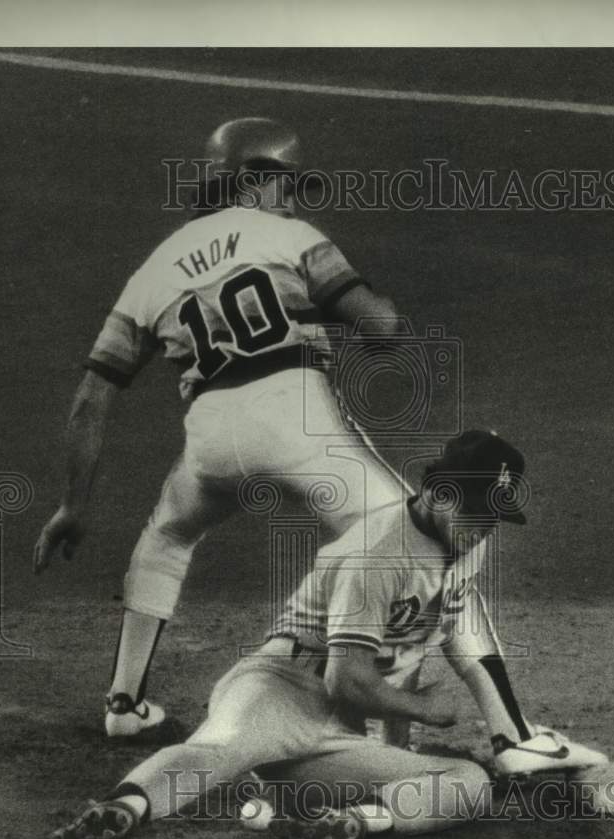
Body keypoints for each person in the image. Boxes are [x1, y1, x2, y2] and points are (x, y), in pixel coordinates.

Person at [48, 429, 608, 839]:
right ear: (438, 493)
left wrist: (410, 744)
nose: (487, 527)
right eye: (479, 511)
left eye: (496, 516)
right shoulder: (376, 555)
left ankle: (355, 819)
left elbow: (419, 646)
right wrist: (427, 712)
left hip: (334, 740)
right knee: (221, 752)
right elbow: (349, 679)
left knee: (468, 784)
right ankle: (123, 809)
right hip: (282, 688)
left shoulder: (467, 541)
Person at [33, 117, 410, 739]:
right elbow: (379, 328)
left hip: (210, 440)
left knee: (167, 535)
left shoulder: (152, 271)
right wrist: (373, 312)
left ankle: (124, 705)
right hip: (295, 423)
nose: (292, 197)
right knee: (405, 539)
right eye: (287, 184)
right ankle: (388, 729)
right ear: (256, 181)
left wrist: (73, 504)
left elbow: (90, 399)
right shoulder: (292, 236)